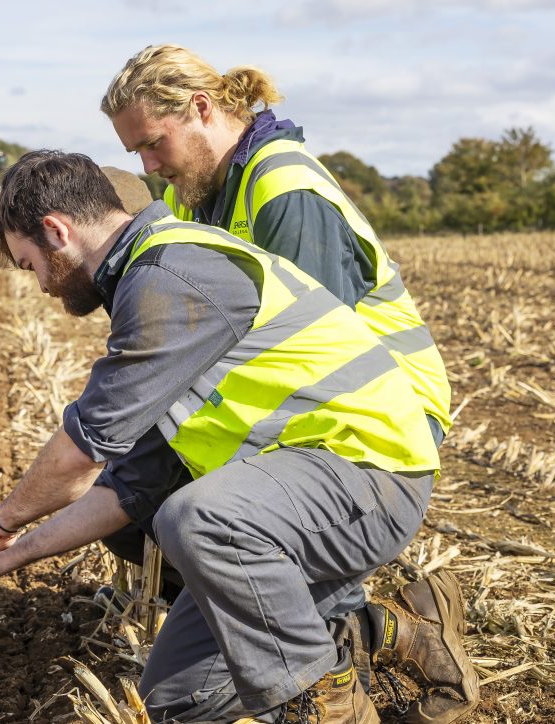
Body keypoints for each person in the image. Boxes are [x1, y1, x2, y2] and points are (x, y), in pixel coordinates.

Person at [0, 151, 446, 723]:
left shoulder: (169, 278)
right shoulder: (153, 282)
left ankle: (323, 707)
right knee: (178, 706)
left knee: (197, 518)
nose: (42, 287)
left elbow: (82, 450)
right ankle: (393, 630)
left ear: (56, 231)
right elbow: (123, 489)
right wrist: (3, 560)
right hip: (291, 503)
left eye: (31, 265)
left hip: (369, 477)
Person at [99, 45, 477, 722]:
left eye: (153, 145)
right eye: (136, 155)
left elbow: (313, 361)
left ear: (203, 110)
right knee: (157, 529)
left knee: (207, 529)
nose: (148, 167)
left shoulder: (282, 190)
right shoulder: (213, 194)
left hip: (377, 422)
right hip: (314, 421)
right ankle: (396, 630)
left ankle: (340, 682)